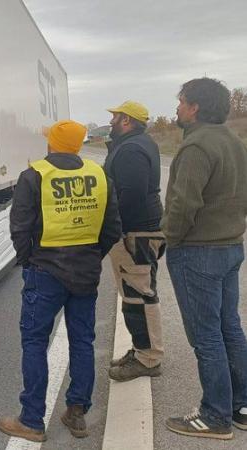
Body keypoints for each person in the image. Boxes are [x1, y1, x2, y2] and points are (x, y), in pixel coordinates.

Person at [0, 120, 122, 442]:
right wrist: (92, 256)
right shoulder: (98, 175)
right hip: (85, 272)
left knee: (35, 342)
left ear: (51, 144)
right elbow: (111, 229)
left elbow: (20, 228)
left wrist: (28, 261)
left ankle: (32, 421)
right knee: (83, 341)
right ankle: (77, 412)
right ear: (79, 145)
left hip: (45, 273)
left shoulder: (34, 175)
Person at [162, 78, 247, 440]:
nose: (178, 107)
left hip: (198, 252)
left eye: (181, 102)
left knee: (206, 335)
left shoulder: (195, 146)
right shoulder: (234, 142)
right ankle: (241, 406)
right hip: (230, 246)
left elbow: (184, 205)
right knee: (230, 327)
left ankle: (215, 416)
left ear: (195, 107)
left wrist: (170, 240)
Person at [103, 101, 166, 382]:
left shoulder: (130, 149)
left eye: (115, 117)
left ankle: (149, 359)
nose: (112, 121)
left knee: (139, 294)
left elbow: (132, 193)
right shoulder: (139, 143)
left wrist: (115, 227)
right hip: (140, 230)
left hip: (135, 232)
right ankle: (142, 349)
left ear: (126, 120)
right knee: (135, 293)